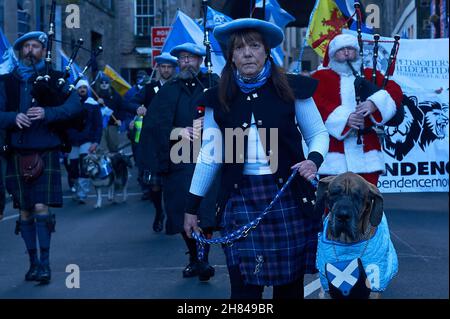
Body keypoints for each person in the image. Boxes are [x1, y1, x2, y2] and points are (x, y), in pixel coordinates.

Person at [183, 19, 329, 299]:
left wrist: (313, 160)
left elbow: (318, 133)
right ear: (231, 56)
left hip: (286, 196)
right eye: (239, 48)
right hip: (239, 200)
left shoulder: (292, 88)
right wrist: (192, 208)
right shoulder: (218, 97)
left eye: (254, 46)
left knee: (288, 289)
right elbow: (210, 155)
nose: (247, 53)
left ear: (266, 51)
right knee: (244, 289)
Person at [0, 31, 82, 283]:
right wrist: (13, 118)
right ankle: (33, 263)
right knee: (25, 211)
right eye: (26, 46)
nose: (30, 50)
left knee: (40, 207)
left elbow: (74, 107)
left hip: (45, 149)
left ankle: (45, 265)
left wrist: (47, 113)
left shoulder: (56, 80)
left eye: (35, 46)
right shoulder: (6, 82)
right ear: (19, 51)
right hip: (17, 150)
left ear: (43, 51)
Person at [144, 43, 220, 281]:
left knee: (205, 212)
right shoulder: (168, 90)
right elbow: (154, 124)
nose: (186, 62)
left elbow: (231, 114)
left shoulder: (213, 84)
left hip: (208, 157)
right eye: (182, 58)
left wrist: (209, 125)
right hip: (178, 161)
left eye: (191, 58)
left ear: (200, 61)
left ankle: (204, 259)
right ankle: (193, 258)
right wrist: (178, 131)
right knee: (181, 211)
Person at [311, 34, 403, 186]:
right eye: (341, 50)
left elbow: (395, 90)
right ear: (333, 54)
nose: (346, 53)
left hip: (367, 151)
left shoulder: (369, 74)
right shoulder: (320, 77)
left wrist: (375, 103)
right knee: (332, 200)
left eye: (350, 49)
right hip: (333, 150)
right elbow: (315, 104)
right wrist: (344, 118)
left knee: (368, 200)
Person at [129, 52, 178, 233]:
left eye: (169, 67)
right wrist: (138, 108)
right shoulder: (150, 88)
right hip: (154, 142)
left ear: (174, 69)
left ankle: (173, 216)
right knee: (155, 185)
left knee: (173, 184)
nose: (166, 70)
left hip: (175, 139)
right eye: (163, 67)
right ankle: (159, 212)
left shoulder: (179, 86)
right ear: (158, 68)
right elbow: (132, 102)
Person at [67, 79, 103, 204]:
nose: (82, 89)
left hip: (87, 140)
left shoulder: (93, 104)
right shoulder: (70, 104)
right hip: (72, 141)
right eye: (79, 87)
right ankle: (76, 189)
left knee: (84, 166)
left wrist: (96, 142)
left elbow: (98, 125)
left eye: (84, 87)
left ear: (87, 89)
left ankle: (82, 193)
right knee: (72, 167)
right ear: (76, 89)